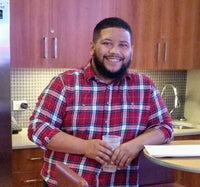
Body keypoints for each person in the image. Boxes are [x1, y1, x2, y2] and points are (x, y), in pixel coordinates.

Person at [28, 17, 173, 187]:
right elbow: (37, 128)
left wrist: (135, 145)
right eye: (107, 43)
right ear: (92, 47)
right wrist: (85, 147)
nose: (115, 51)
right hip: (70, 183)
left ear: (131, 50)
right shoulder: (65, 83)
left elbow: (165, 127)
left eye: (123, 45)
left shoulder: (144, 86)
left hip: (123, 182)